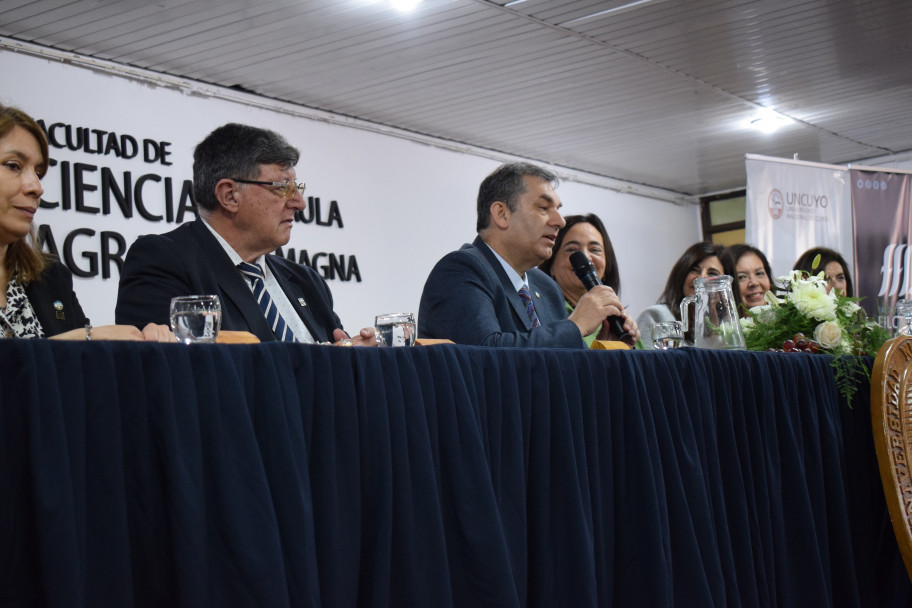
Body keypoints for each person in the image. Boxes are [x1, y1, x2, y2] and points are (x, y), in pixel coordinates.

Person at [115, 123, 377, 345]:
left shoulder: (306, 281)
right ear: (229, 196)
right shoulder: (163, 261)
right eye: (283, 188)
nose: (299, 202)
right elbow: (169, 372)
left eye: (297, 188)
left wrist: (355, 357)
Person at [418, 162, 638, 348]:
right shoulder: (462, 270)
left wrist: (604, 345)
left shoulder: (546, 287)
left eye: (558, 209)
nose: (559, 221)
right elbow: (486, 354)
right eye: (544, 208)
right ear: (501, 214)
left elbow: (563, 368)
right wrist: (575, 325)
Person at [0, 104, 171, 341]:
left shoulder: (51, 277)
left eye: (38, 173)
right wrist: (78, 340)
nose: (36, 187)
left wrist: (143, 344)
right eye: (13, 166)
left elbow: (85, 373)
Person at [538, 213, 621, 347]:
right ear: (550, 265)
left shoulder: (617, 322)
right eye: (571, 249)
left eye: (595, 249)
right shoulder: (544, 316)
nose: (586, 258)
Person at [636, 242, 725, 348]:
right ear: (682, 275)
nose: (701, 278)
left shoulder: (730, 327)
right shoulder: (656, 315)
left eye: (712, 273)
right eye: (694, 270)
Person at [723, 244, 775, 316]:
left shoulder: (787, 322)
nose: (754, 282)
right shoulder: (720, 327)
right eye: (741, 277)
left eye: (759, 273)